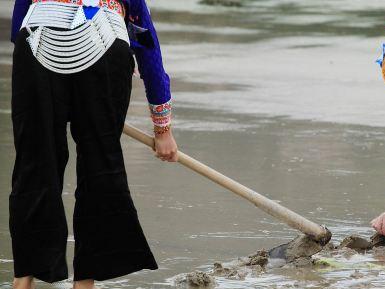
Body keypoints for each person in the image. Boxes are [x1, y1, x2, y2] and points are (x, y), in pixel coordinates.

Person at [9, 0, 178, 288]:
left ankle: (24, 280)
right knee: (100, 169)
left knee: (34, 168)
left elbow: (17, 27)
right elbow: (144, 38)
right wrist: (162, 128)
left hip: (38, 47)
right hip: (104, 48)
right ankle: (84, 283)